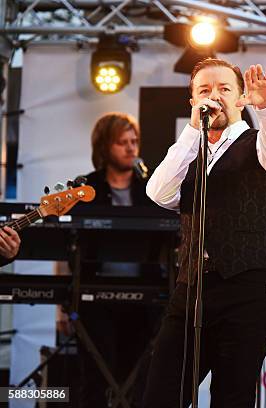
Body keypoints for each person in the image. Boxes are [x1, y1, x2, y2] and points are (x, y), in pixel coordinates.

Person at [143, 58, 266, 407]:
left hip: (247, 287)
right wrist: (192, 131)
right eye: (204, 90)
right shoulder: (188, 153)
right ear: (193, 101)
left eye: (224, 89)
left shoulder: (262, 146)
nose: (215, 96)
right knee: (161, 395)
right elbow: (159, 193)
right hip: (192, 289)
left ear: (241, 97)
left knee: (231, 398)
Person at [56, 112, 162, 407]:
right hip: (94, 296)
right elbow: (66, 243)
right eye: (122, 142)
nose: (131, 148)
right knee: (95, 378)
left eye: (134, 141)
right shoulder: (84, 188)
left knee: (140, 378)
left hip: (145, 299)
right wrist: (60, 308)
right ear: (104, 147)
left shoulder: (151, 188)